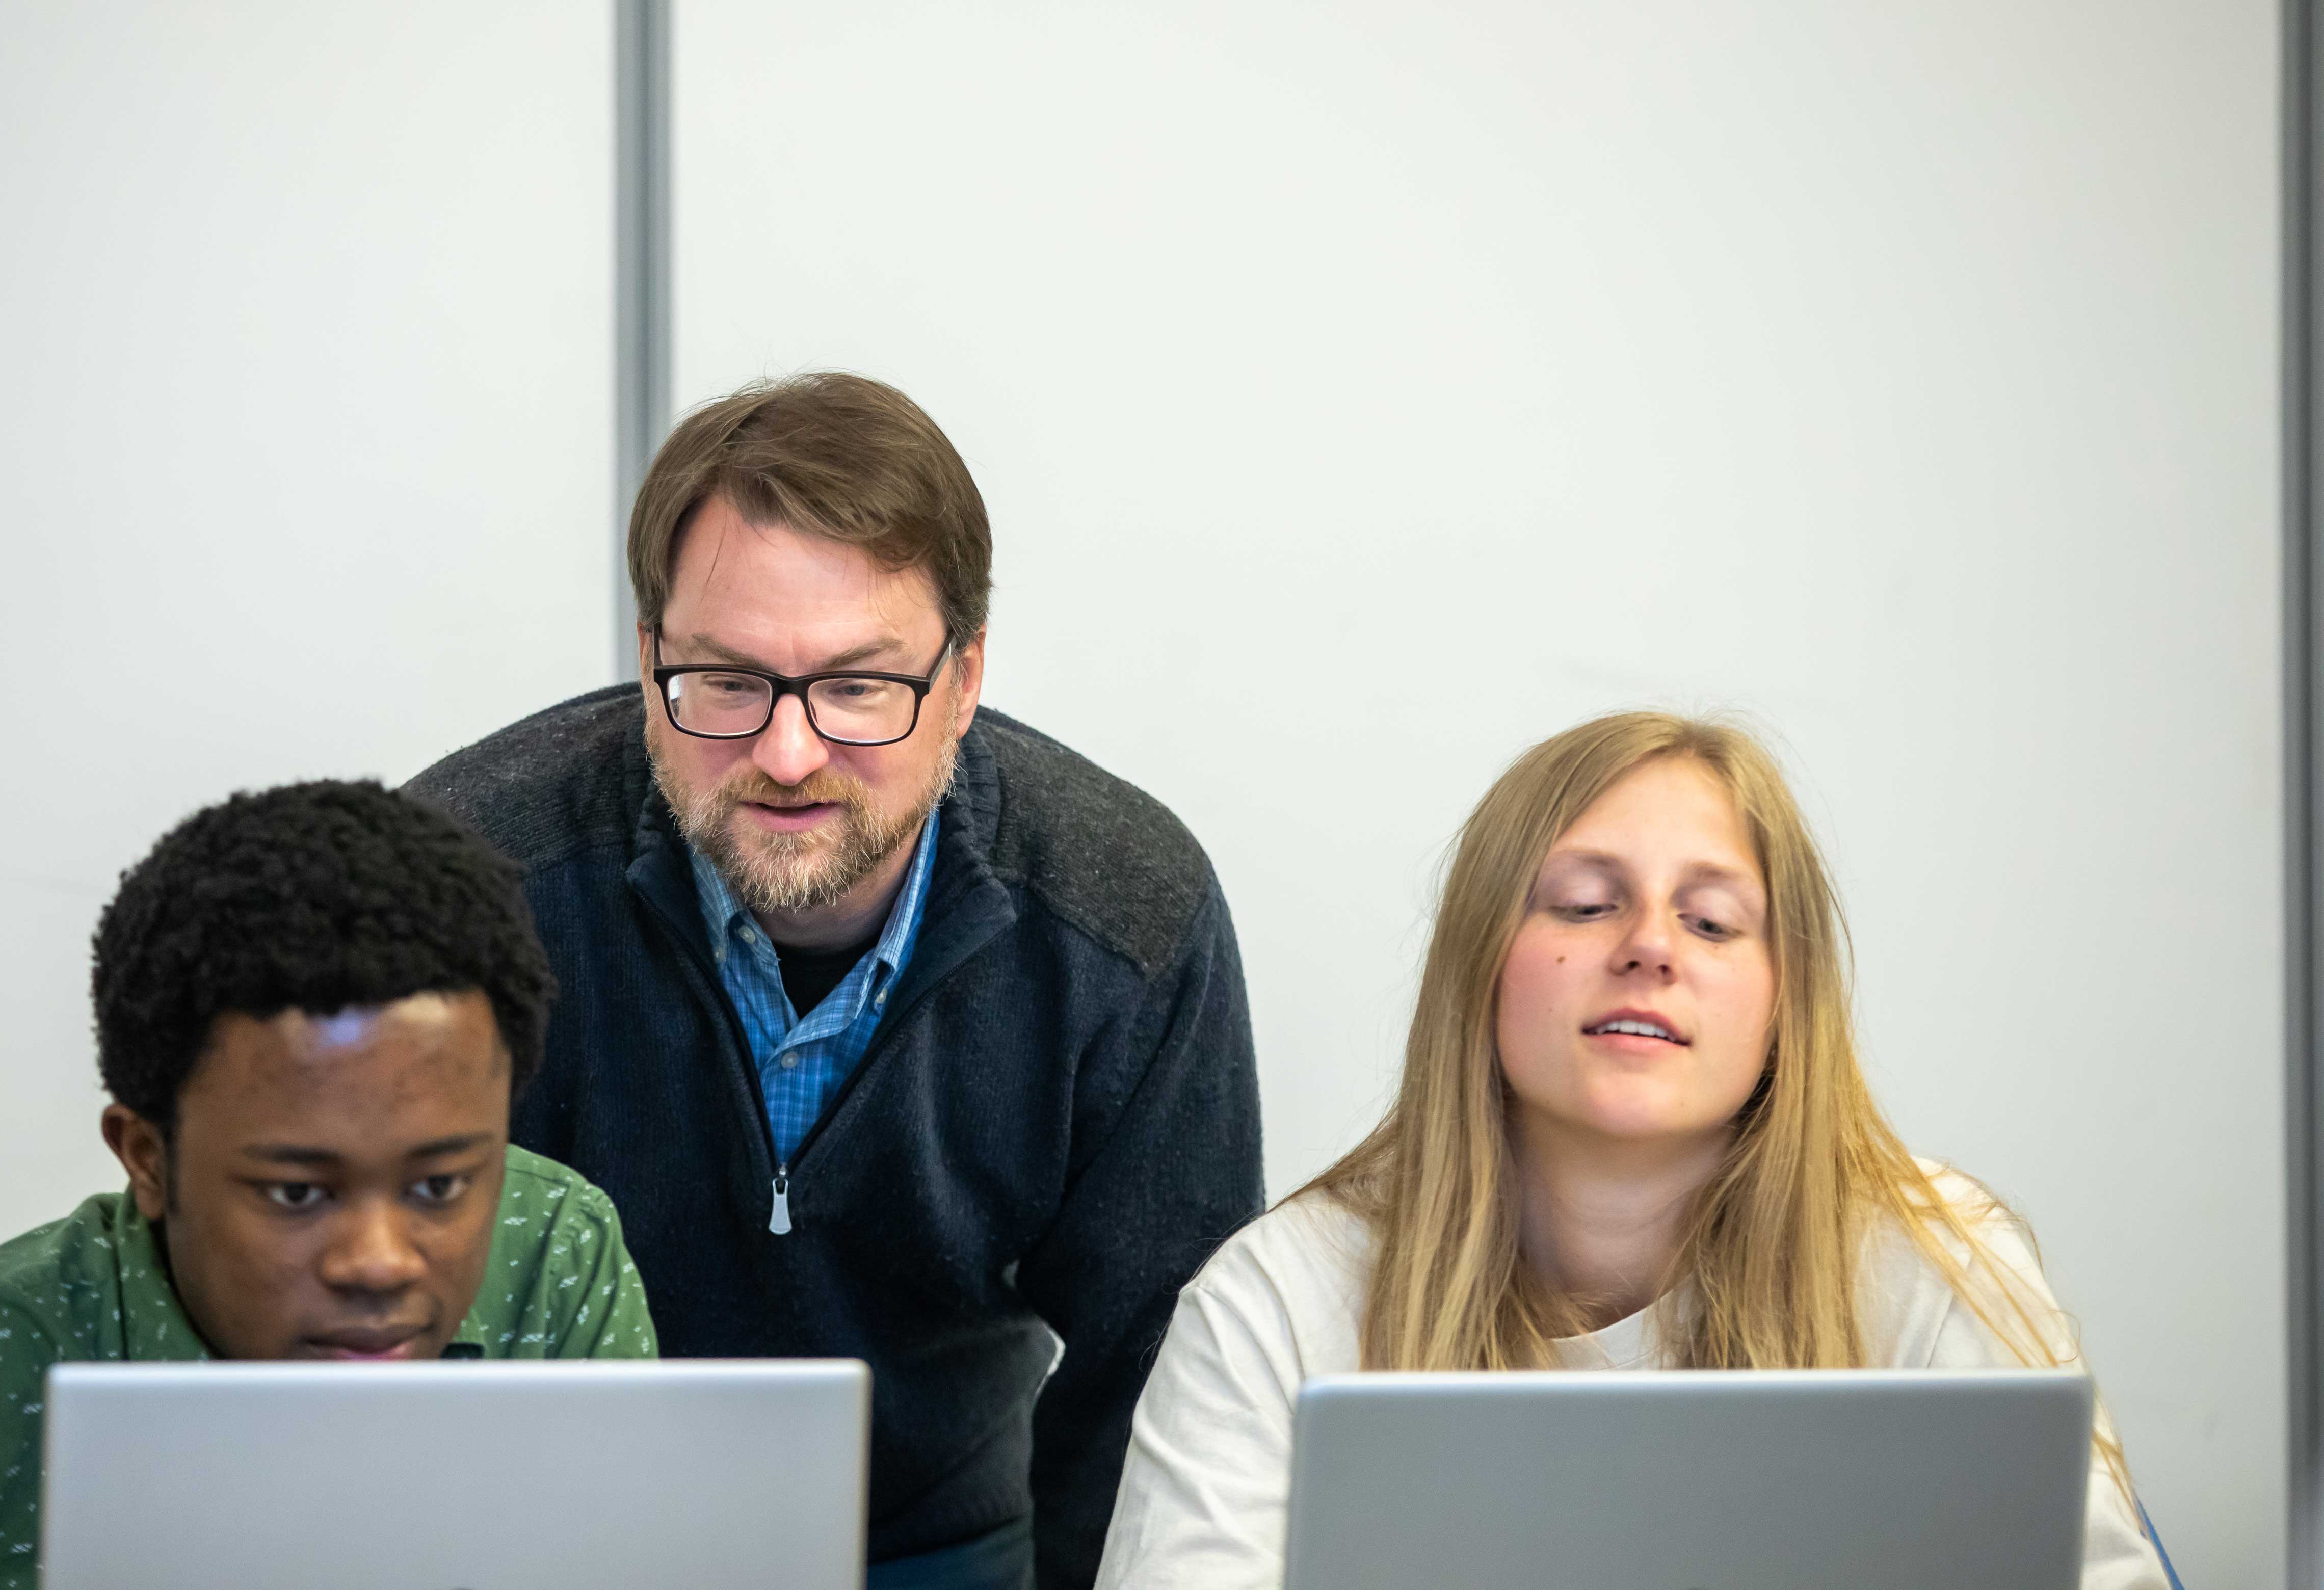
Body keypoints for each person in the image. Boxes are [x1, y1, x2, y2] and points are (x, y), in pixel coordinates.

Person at [406, 371, 1262, 1589]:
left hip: (944, 1540)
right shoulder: (466, 884)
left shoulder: (1127, 918)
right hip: (544, 1541)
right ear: (649, 662)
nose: (789, 753)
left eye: (861, 685)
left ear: (964, 682)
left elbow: (1160, 1385)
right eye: (728, 681)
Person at [1091, 713, 2173, 1590]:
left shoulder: (1939, 1260)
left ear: (1785, 1001)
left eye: (1710, 922)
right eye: (1586, 903)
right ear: (1482, 965)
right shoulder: (1277, 1301)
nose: (1650, 946)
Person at [0, 780, 657, 1590]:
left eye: (440, 1186)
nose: (379, 1263)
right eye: (297, 1195)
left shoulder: (554, 1251)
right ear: (147, 1159)